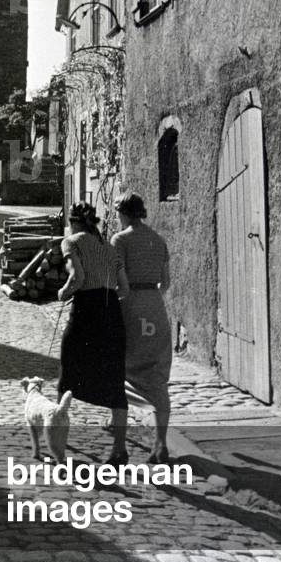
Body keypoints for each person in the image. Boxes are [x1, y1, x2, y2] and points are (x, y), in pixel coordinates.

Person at [57, 201, 130, 464]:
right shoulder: (110, 248)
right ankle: (119, 449)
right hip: (111, 313)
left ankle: (58, 441)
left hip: (85, 313)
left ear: (73, 222)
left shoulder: (71, 242)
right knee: (115, 380)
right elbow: (124, 289)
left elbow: (77, 277)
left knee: (68, 372)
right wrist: (105, 297)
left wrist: (63, 292)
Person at [111, 191, 172, 463]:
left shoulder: (120, 240)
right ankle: (160, 445)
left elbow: (120, 284)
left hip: (131, 309)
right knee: (157, 379)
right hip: (155, 309)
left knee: (118, 378)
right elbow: (166, 283)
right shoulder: (158, 240)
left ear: (123, 213)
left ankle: (119, 448)